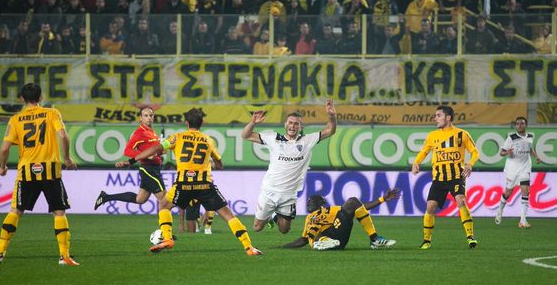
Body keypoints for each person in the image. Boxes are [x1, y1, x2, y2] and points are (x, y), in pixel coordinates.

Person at [116, 108, 262, 256]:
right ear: (202, 122)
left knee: (164, 204)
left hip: (183, 184)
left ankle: (167, 238)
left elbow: (156, 148)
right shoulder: (208, 140)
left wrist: (132, 160)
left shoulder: (177, 137)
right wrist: (209, 163)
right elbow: (220, 165)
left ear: (186, 122)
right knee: (228, 215)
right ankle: (248, 247)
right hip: (204, 184)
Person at [0, 83, 79, 265]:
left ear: (22, 98)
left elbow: (5, 147)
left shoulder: (15, 120)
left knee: (16, 211)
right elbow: (63, 136)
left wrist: (2, 166)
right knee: (59, 212)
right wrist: (67, 159)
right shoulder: (52, 113)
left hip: (26, 171)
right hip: (50, 170)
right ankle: (64, 256)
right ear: (40, 97)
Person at [241, 99, 337, 234]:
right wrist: (253, 123)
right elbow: (245, 135)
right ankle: (270, 215)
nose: (293, 126)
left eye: (296, 124)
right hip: (270, 191)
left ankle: (275, 216)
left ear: (300, 127)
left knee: (284, 230)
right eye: (290, 123)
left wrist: (332, 116)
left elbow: (330, 131)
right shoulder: (273, 139)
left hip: (289, 194)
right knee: (257, 228)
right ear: (286, 124)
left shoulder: (307, 141)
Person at [411, 106, 479, 250]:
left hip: (456, 177)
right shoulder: (432, 135)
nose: (435, 118)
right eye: (435, 115)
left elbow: (475, 152)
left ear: (448, 118)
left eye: (438, 115)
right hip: (439, 178)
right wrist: (416, 162)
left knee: (460, 200)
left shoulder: (462, 134)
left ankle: (470, 237)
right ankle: (426, 240)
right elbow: (424, 151)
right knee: (430, 207)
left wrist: (470, 164)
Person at [95, 107, 165, 213]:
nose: (149, 118)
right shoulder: (140, 132)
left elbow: (152, 151)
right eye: (146, 116)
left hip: (155, 168)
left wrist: (160, 153)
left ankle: (106, 197)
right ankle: (164, 228)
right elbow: (127, 150)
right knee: (164, 200)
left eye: (151, 115)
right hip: (149, 170)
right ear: (140, 118)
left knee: (140, 199)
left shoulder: (152, 132)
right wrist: (146, 156)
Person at [283, 188, 400, 251]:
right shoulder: (308, 218)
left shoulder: (330, 210)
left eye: (312, 201)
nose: (310, 203)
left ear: (319, 203)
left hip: (337, 235)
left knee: (353, 201)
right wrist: (283, 247)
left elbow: (360, 207)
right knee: (315, 232)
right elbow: (303, 240)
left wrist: (382, 199)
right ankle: (323, 242)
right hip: (328, 240)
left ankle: (374, 239)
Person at [495, 117, 543, 228]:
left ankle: (523, 220)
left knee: (525, 191)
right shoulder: (511, 138)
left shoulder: (530, 136)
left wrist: (536, 157)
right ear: (516, 126)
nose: (520, 125)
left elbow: (530, 148)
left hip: (525, 167)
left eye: (522, 123)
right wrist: (507, 152)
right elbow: (501, 153)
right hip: (512, 168)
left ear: (525, 125)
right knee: (508, 192)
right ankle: (500, 210)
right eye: (517, 124)